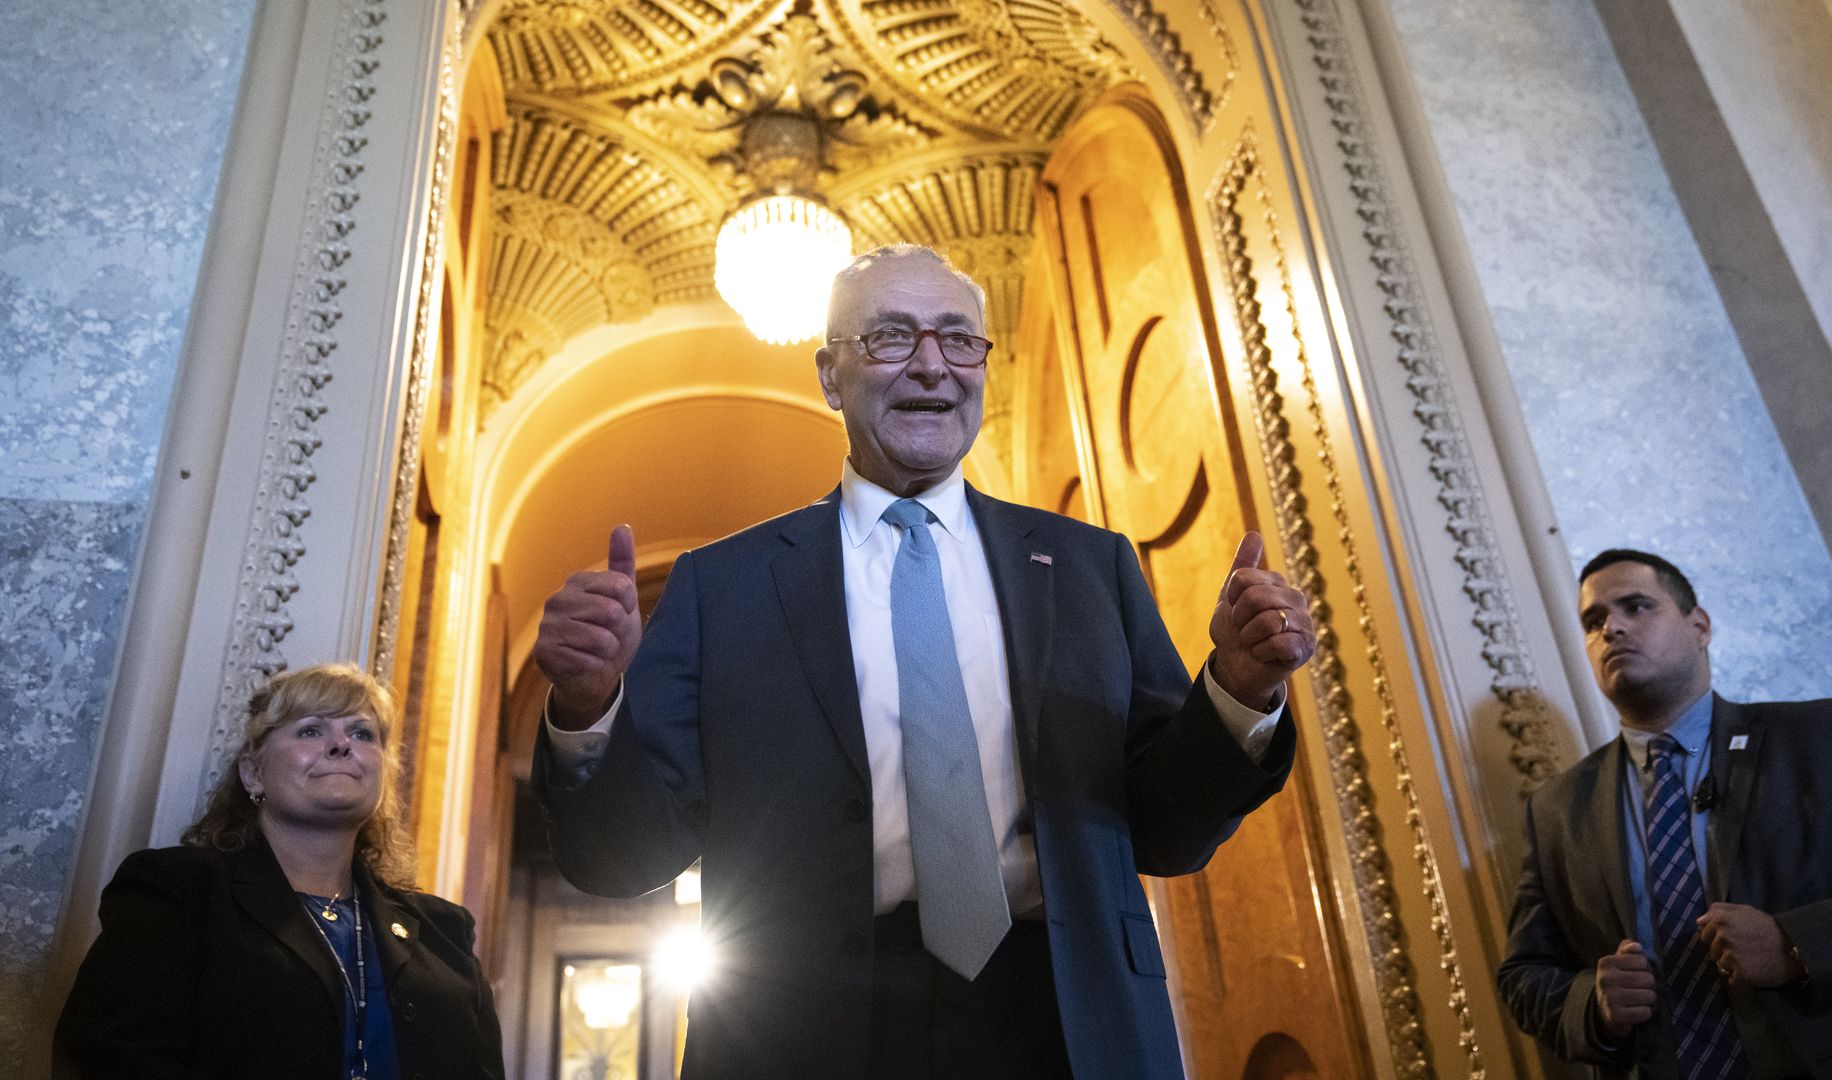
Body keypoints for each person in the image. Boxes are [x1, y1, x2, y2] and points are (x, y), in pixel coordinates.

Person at [532, 244, 1314, 1079]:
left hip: (1067, 1017)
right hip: (806, 1028)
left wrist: (1237, 690)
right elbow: (624, 855)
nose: (933, 365)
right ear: (831, 376)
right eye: (892, 338)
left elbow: (1167, 832)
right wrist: (587, 708)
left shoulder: (1091, 566)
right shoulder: (721, 587)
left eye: (958, 338)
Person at [1499, 549, 1832, 1079]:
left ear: (1699, 626)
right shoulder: (1557, 810)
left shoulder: (1828, 736)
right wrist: (1593, 1004)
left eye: (1637, 607)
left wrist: (1797, 944)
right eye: (1594, 621)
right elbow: (1524, 975)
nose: (1613, 629)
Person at [54, 663, 505, 1080]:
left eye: (363, 734)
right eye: (311, 729)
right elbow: (108, 1060)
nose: (341, 743)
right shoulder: (177, 891)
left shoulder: (444, 932)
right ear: (253, 775)